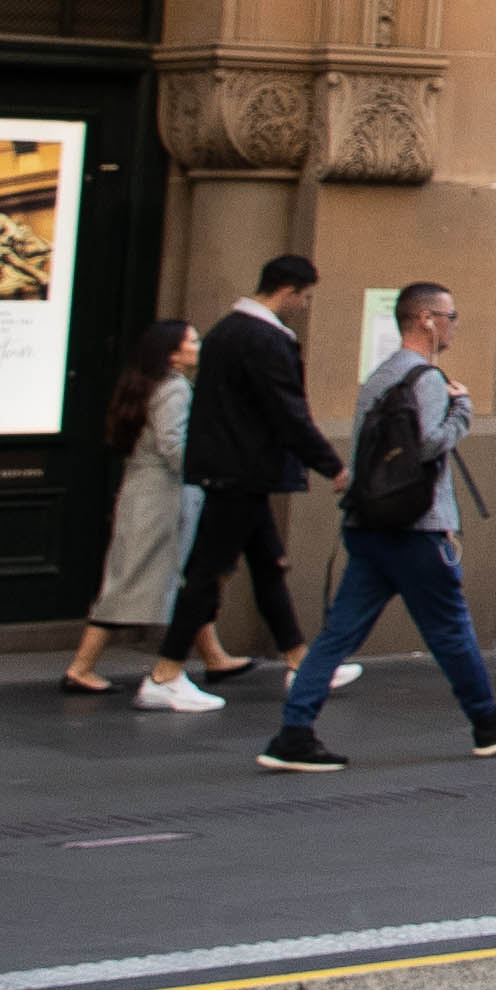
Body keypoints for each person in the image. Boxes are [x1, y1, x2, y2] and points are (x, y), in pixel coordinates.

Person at [255, 284, 496, 770]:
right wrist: (464, 410)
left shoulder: (378, 378)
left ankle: (294, 732)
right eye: (451, 315)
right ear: (426, 320)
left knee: (337, 636)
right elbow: (430, 444)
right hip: (415, 528)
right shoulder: (427, 380)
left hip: (369, 524)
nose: (455, 325)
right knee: (451, 630)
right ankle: (487, 720)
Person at [161, 255, 347, 693]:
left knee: (268, 566)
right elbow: (287, 410)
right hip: (242, 471)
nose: (303, 306)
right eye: (304, 298)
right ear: (287, 291)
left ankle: (302, 660)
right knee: (207, 573)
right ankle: (165, 672)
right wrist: (331, 464)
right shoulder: (263, 339)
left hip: (232, 468)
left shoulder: (224, 331)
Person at [67, 321, 201, 702]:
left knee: (177, 580)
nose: (198, 345)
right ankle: (82, 666)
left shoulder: (149, 384)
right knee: (134, 580)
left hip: (145, 492)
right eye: (191, 341)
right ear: (173, 353)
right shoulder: (174, 388)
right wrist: (202, 471)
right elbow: (173, 444)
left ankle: (214, 658)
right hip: (159, 498)